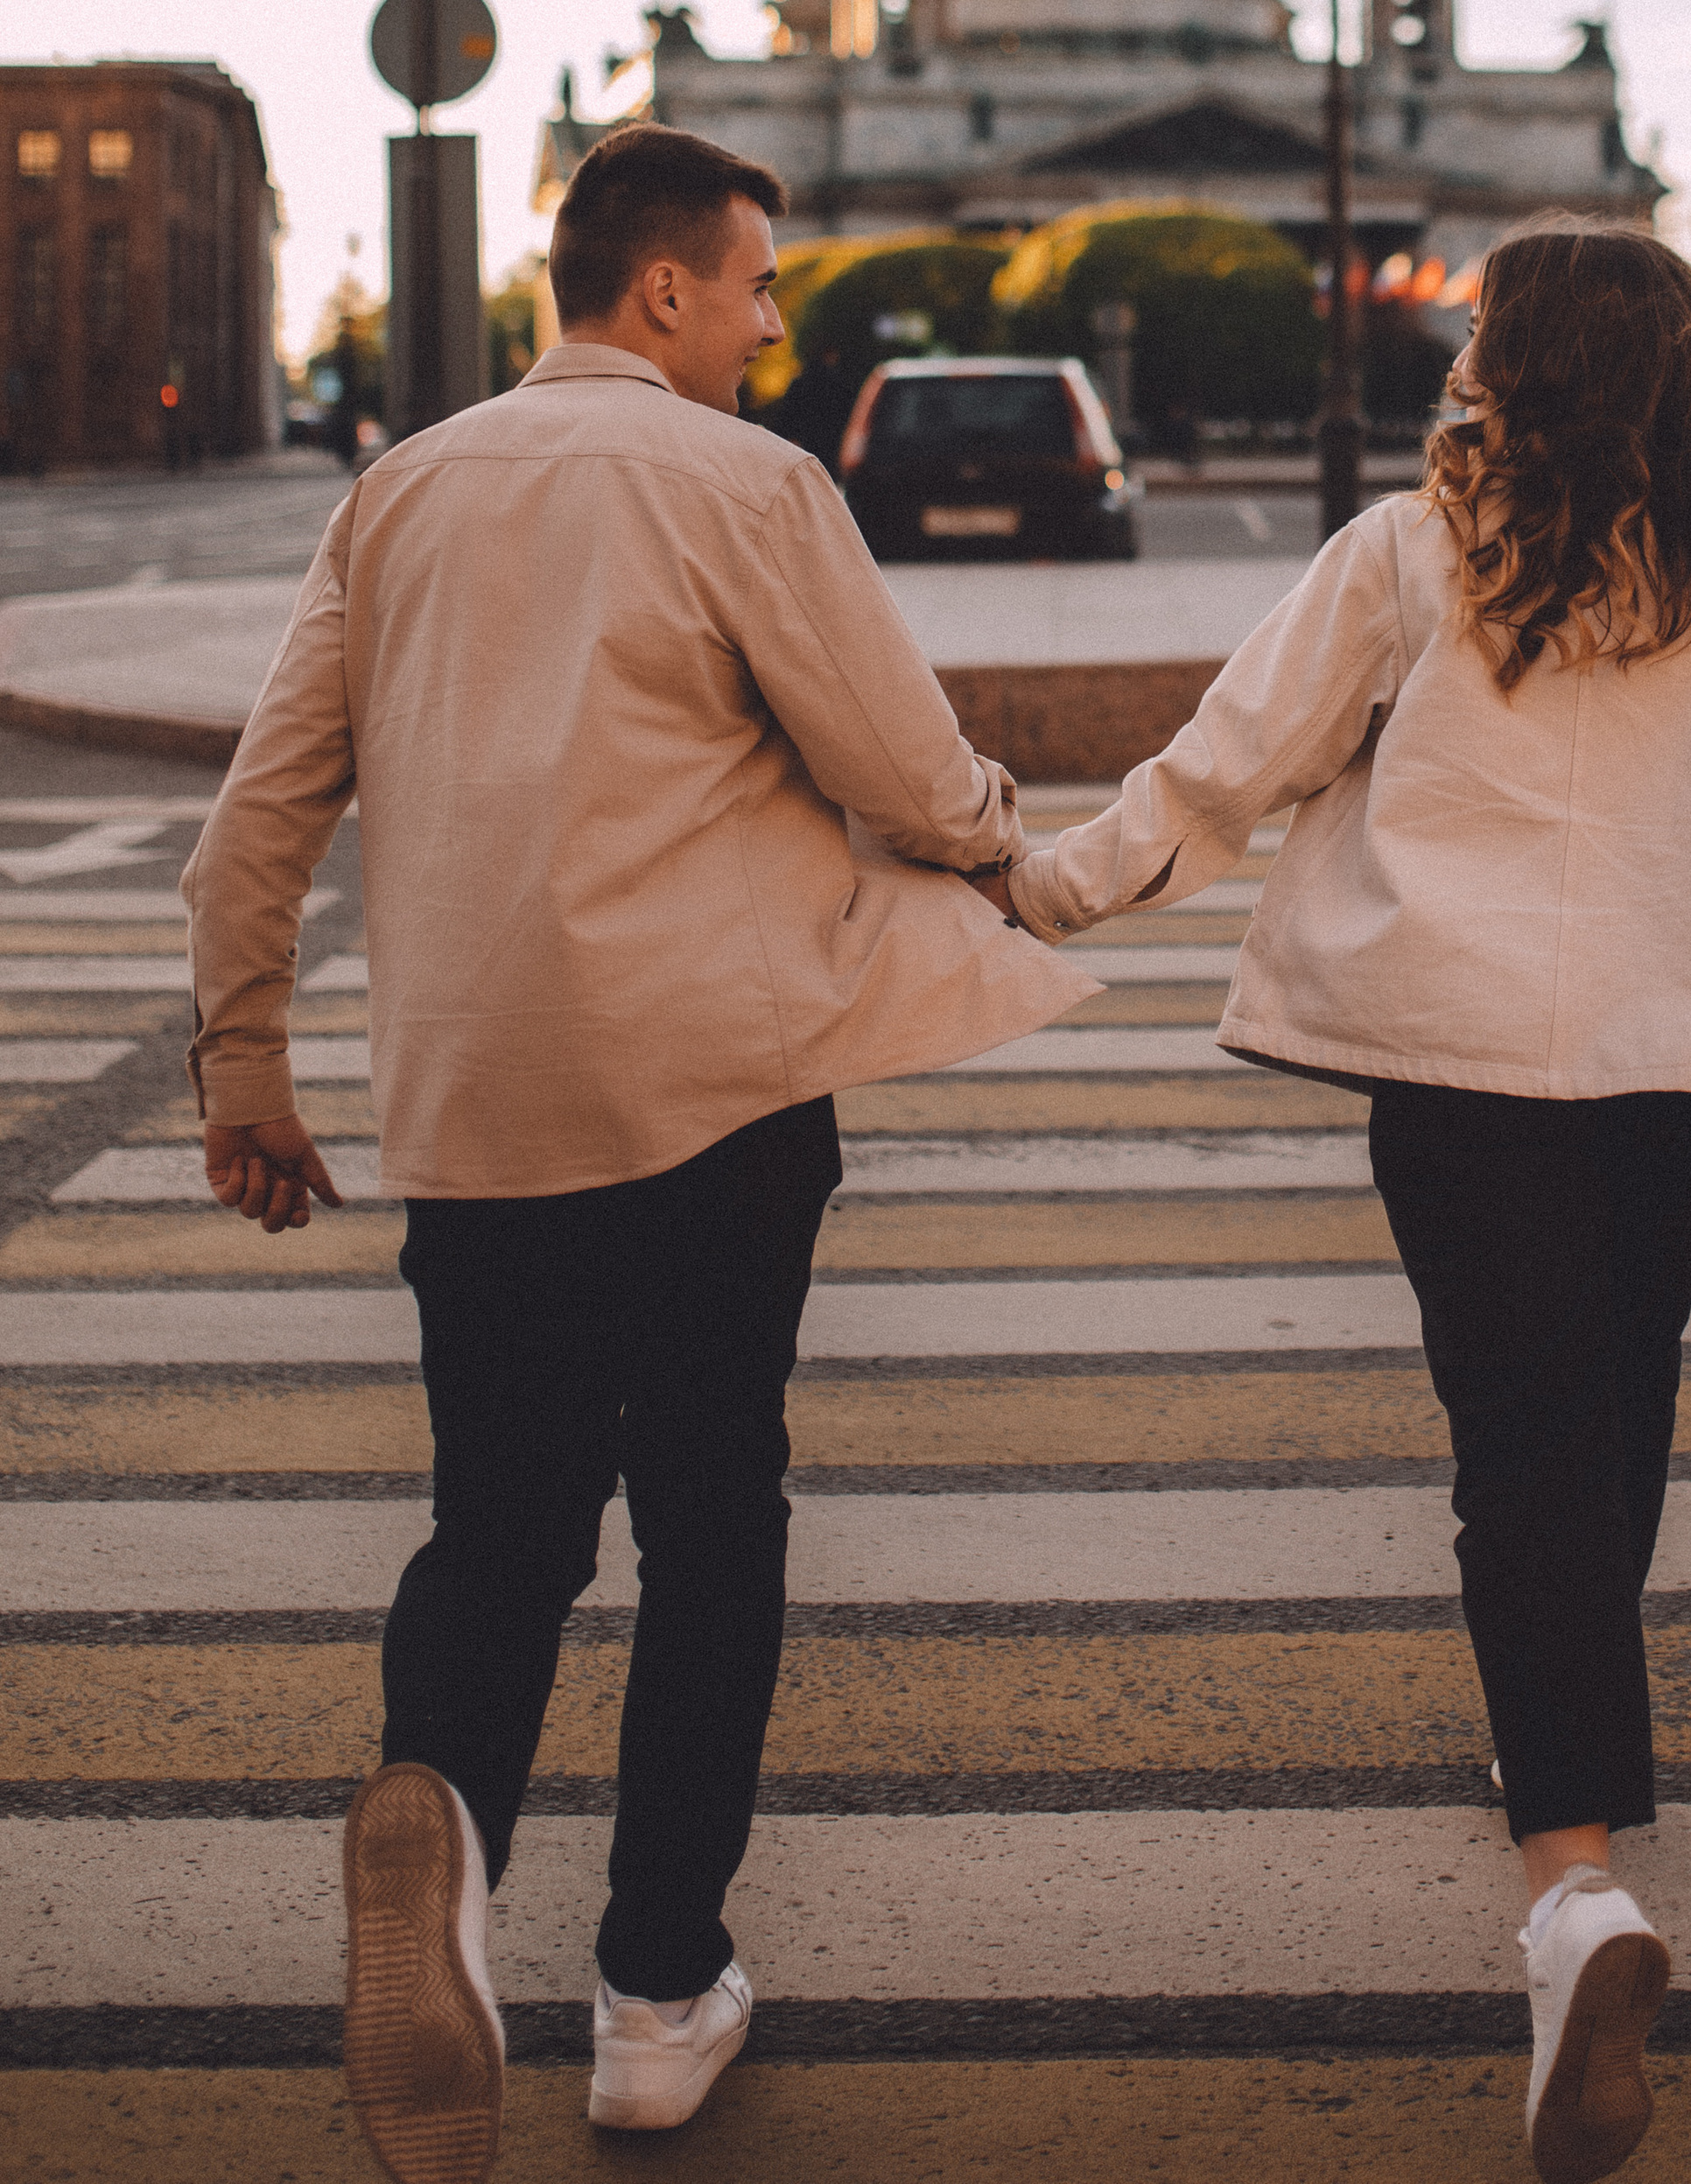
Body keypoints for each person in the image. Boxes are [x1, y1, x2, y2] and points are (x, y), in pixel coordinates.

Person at [987, 219, 1691, 2184]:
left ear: (1512, 364)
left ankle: (1572, 1887)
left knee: (1516, 1445)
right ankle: (1566, 1737)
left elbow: (1225, 768)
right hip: (1680, 1068)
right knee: (1608, 1409)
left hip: (1455, 1064)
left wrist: (1041, 888)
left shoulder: (1411, 553)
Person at [185, 122, 1095, 2184]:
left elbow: (257, 824)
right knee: (709, 1520)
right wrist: (993, 839)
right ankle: (656, 1996)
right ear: (666, 285)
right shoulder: (746, 482)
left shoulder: (397, 493)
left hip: (476, 1109)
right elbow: (897, 761)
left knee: (499, 1527)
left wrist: (246, 1062)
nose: (770, 327)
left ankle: (444, 1820)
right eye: (758, 287)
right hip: (715, 1102)